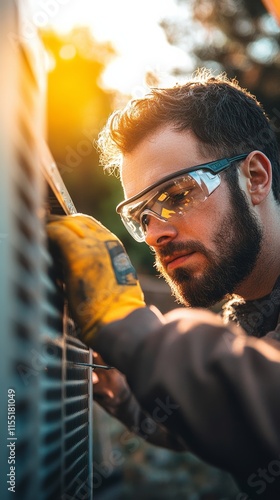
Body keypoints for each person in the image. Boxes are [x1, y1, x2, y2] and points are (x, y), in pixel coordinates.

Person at [47, 71, 280, 499]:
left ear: (255, 178)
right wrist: (123, 391)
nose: (154, 234)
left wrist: (129, 327)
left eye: (176, 196)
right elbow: (227, 421)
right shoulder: (250, 316)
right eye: (141, 217)